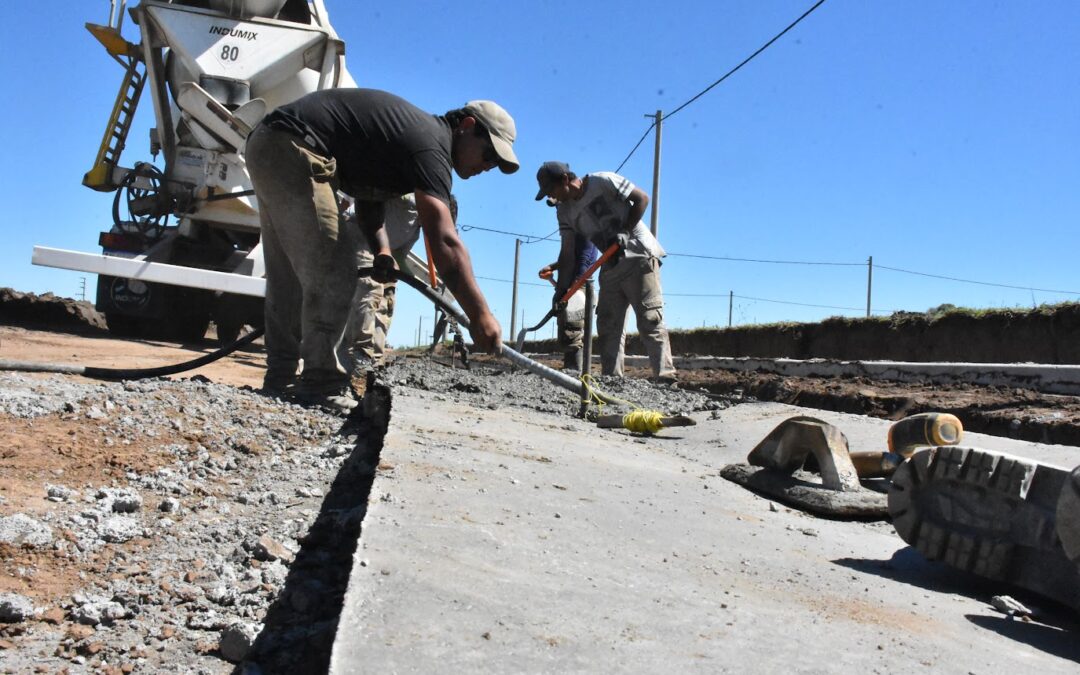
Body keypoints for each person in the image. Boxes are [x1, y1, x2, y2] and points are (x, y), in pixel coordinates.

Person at [246, 88, 517, 413]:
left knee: (287, 275)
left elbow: (369, 200)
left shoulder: (410, 139)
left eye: (496, 164)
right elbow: (444, 241)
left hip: (270, 141)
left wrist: (382, 250)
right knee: (335, 265)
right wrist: (480, 315)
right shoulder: (432, 147)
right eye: (489, 155)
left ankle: (281, 378)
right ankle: (321, 383)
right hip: (297, 146)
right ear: (467, 125)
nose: (488, 166)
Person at [534, 161, 677, 383]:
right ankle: (613, 382)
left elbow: (641, 198)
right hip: (610, 265)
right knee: (608, 325)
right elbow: (568, 254)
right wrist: (561, 292)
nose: (551, 197)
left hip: (639, 256)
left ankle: (667, 379)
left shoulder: (603, 181)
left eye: (551, 190)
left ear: (564, 180)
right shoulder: (564, 211)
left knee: (649, 319)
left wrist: (625, 230)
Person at [344, 193, 457, 368]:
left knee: (387, 296)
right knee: (370, 289)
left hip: (382, 258)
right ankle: (359, 356)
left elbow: (398, 258)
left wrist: (431, 289)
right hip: (358, 240)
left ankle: (374, 360)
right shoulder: (407, 200)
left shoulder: (414, 231)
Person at [537, 227, 599, 371]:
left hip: (579, 286)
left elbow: (585, 258)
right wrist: (552, 267)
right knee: (568, 331)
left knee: (572, 332)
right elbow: (573, 259)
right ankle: (572, 371)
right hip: (575, 287)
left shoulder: (585, 228)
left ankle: (574, 373)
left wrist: (574, 287)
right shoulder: (576, 230)